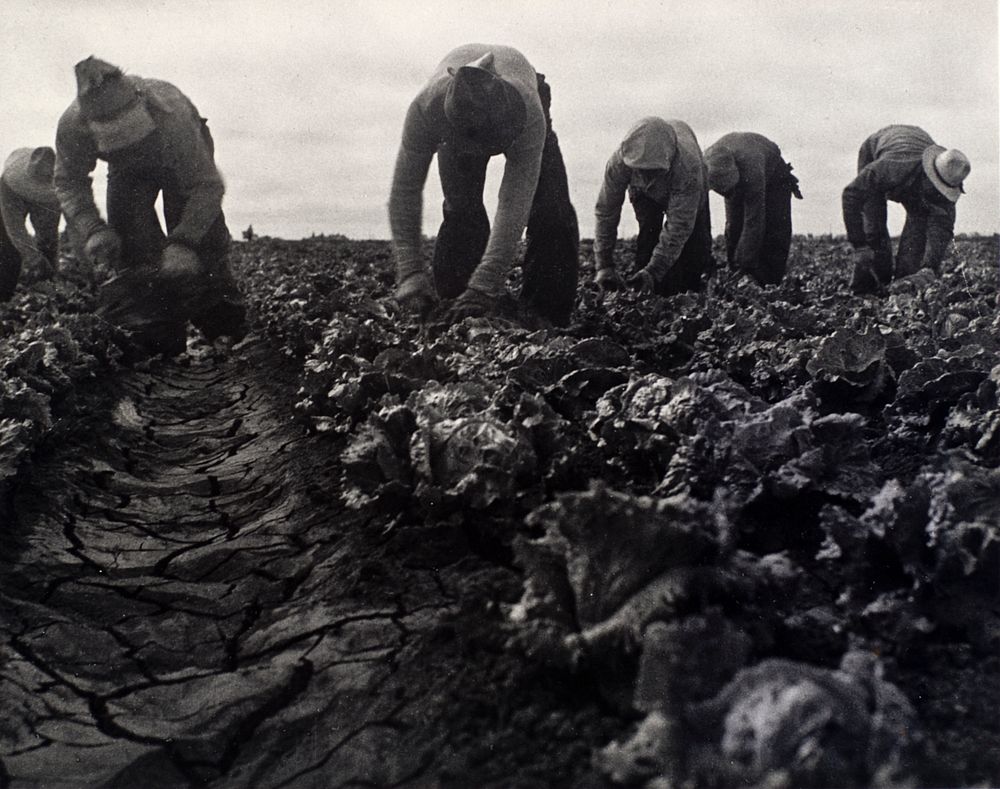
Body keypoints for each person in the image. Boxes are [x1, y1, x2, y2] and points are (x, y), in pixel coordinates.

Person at [54, 56, 247, 355]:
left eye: (133, 136)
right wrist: (92, 228)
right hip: (125, 172)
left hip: (178, 162)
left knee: (203, 244)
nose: (133, 147)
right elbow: (68, 181)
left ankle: (226, 330)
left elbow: (206, 185)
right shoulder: (72, 128)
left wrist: (184, 241)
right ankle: (157, 341)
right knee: (131, 246)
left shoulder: (172, 112)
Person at [388, 44, 579, 326]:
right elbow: (405, 190)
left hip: (525, 96)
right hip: (457, 114)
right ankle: (457, 309)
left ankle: (545, 315)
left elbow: (515, 199)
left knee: (552, 210)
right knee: (461, 210)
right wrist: (410, 272)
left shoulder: (528, 113)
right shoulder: (426, 109)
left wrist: (486, 283)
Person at [842, 125, 970, 294]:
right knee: (874, 228)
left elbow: (942, 229)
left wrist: (929, 267)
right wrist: (859, 245)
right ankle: (865, 288)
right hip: (877, 150)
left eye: (942, 191)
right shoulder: (890, 167)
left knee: (916, 239)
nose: (938, 194)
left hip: (913, 154)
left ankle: (900, 287)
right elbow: (851, 195)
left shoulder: (947, 182)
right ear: (928, 174)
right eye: (935, 188)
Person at [594, 117, 713, 296]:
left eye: (652, 172)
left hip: (687, 186)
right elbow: (606, 212)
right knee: (648, 234)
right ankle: (644, 290)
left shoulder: (689, 167)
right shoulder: (619, 162)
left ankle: (691, 296)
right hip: (642, 193)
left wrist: (655, 270)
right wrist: (604, 265)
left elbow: (679, 225)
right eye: (640, 170)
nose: (647, 179)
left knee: (695, 247)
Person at [703, 132, 802, 286]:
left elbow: (754, 220)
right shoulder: (708, 163)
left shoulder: (752, 168)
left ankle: (768, 282)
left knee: (774, 229)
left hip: (774, 174)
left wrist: (744, 266)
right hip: (737, 172)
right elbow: (732, 224)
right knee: (734, 226)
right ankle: (734, 273)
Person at [0, 147, 62, 300]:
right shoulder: (9, 184)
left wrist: (49, 265)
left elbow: (50, 233)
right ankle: (3, 300)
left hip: (46, 197)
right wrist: (35, 261)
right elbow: (15, 230)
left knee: (48, 245)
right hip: (11, 194)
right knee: (7, 249)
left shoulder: (54, 192)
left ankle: (47, 296)